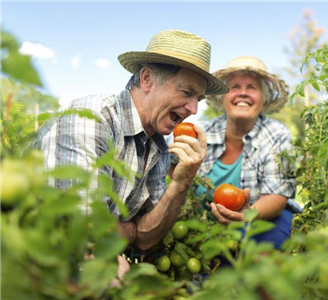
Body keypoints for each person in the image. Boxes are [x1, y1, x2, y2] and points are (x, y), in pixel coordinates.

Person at [31, 29, 228, 251]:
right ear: (147, 79)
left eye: (198, 99)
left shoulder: (158, 147)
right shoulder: (93, 118)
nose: (193, 109)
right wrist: (129, 230)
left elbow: (146, 238)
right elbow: (81, 231)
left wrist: (182, 182)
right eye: (186, 92)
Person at [194, 56, 298, 250]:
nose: (243, 93)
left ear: (264, 101)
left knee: (265, 252)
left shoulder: (277, 134)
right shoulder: (202, 133)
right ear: (221, 98)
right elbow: (171, 166)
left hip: (260, 220)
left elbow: (277, 195)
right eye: (234, 87)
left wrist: (248, 214)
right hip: (204, 225)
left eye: (252, 87)